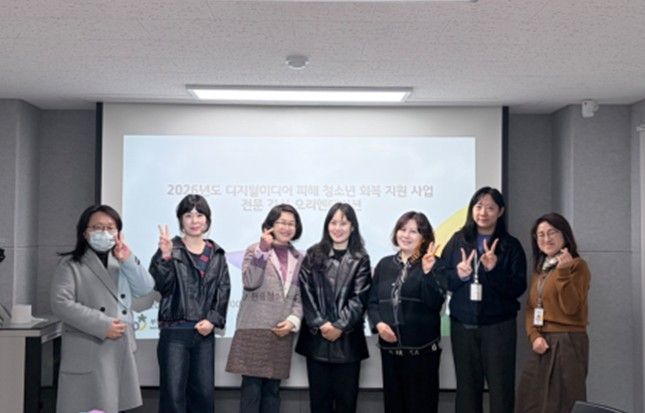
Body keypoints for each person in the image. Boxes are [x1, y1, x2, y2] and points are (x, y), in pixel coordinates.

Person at [51, 204, 155, 413]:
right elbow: (60, 303)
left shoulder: (121, 261)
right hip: (89, 345)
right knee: (88, 405)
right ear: (85, 232)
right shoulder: (70, 264)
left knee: (111, 406)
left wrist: (128, 259)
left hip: (119, 346)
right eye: (97, 227)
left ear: (118, 233)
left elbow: (146, 289)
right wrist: (103, 324)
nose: (104, 232)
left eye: (110, 227)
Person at [441, 187, 527, 413]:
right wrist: (459, 275)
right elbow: (442, 278)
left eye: (490, 208)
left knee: (501, 388)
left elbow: (518, 287)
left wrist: (494, 269)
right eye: (479, 206)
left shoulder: (510, 245)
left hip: (499, 327)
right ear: (472, 209)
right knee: (467, 388)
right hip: (462, 325)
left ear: (500, 212)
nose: (483, 213)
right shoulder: (458, 240)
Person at [149, 194, 231, 413]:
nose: (194, 220)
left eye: (199, 215)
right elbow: (161, 286)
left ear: (207, 220)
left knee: (203, 396)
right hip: (174, 333)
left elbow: (223, 290)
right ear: (181, 220)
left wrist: (212, 320)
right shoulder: (171, 248)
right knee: (173, 396)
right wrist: (165, 257)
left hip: (203, 334)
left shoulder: (216, 253)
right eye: (188, 215)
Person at [226, 204, 305, 413]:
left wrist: (293, 321)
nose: (286, 227)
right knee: (251, 392)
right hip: (254, 331)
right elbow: (250, 282)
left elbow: (300, 296)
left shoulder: (299, 258)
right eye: (282, 222)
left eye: (291, 223)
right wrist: (262, 250)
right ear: (270, 225)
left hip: (281, 332)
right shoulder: (255, 250)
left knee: (272, 393)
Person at [296, 202, 372, 413]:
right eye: (333, 222)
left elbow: (360, 298)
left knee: (346, 403)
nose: (338, 228)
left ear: (352, 227)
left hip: (348, 343)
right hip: (317, 341)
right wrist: (321, 323)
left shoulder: (361, 258)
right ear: (327, 225)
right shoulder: (313, 254)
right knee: (319, 403)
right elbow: (306, 291)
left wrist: (339, 326)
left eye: (343, 223)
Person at [367, 211, 446, 413]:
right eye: (402, 229)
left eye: (413, 231)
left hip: (422, 354)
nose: (406, 235)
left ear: (424, 237)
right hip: (391, 352)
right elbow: (373, 301)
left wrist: (427, 273)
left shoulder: (434, 263)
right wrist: (379, 324)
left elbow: (435, 303)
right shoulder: (384, 264)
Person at [516, 213, 591, 413]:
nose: (546, 239)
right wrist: (534, 336)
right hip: (542, 341)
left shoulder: (577, 266)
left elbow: (571, 308)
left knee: (563, 402)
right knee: (530, 400)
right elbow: (531, 307)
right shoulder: (541, 268)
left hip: (568, 340)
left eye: (552, 232)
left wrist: (564, 272)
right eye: (540, 234)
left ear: (564, 235)